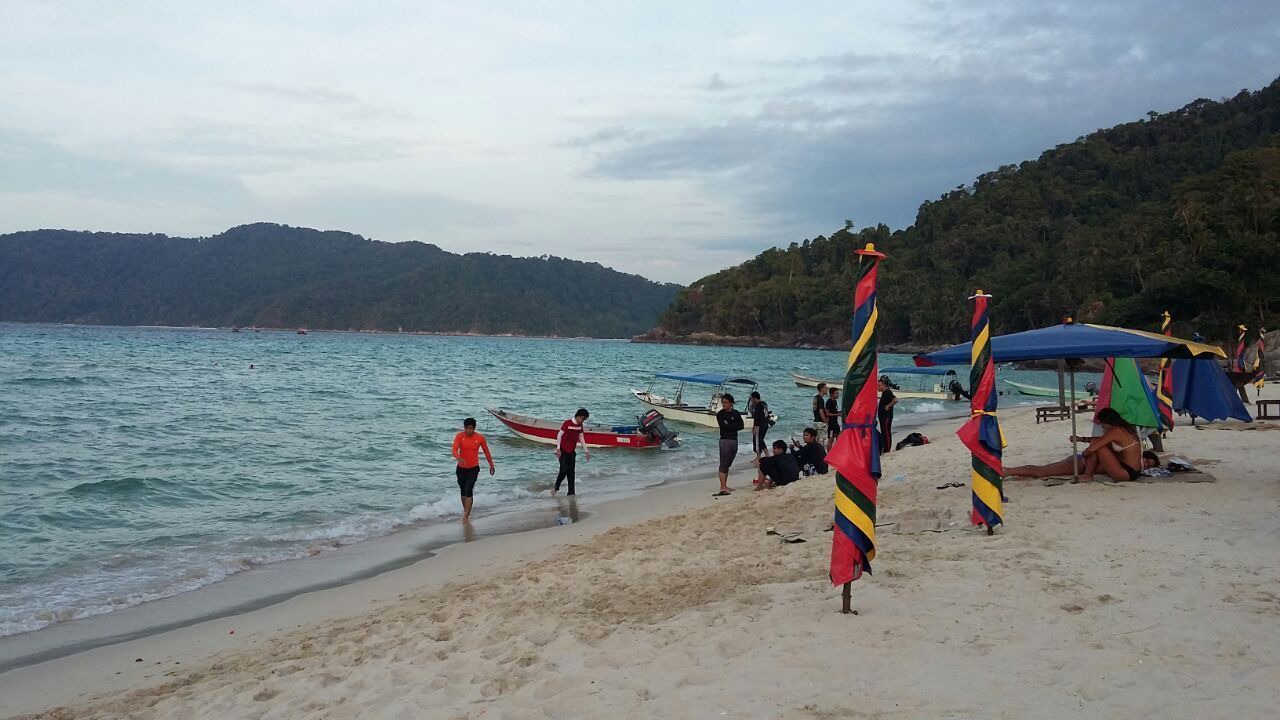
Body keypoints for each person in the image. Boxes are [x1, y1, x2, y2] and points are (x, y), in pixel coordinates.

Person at [1005, 408, 1146, 483]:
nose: (1102, 428)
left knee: (1041, 471)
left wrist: (1087, 452)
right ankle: (1011, 471)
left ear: (1107, 422)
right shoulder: (1126, 429)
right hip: (1129, 472)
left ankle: (1007, 471)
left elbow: (1095, 446)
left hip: (1114, 471)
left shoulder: (1115, 431)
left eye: (1102, 425)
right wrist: (1082, 439)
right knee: (1042, 471)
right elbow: (1101, 440)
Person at [451, 417, 495, 520]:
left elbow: (486, 451)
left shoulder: (479, 438)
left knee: (468, 489)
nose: (468, 430)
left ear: (474, 428)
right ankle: (466, 511)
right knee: (463, 491)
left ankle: (466, 516)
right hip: (461, 468)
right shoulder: (459, 436)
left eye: (470, 428)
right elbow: (454, 450)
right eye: (466, 428)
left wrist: (491, 465)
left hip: (473, 468)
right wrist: (459, 458)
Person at [552, 408, 590, 496]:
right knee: (563, 470)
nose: (583, 421)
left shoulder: (580, 426)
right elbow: (559, 436)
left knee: (571, 473)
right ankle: (555, 488)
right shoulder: (567, 423)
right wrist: (558, 449)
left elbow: (581, 437)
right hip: (563, 450)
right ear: (578, 416)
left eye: (585, 419)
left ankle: (571, 492)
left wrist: (586, 450)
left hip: (572, 451)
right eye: (583, 418)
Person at [714, 394, 744, 495]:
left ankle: (725, 485)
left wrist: (730, 425)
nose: (724, 404)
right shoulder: (720, 414)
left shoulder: (735, 413)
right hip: (725, 440)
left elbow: (741, 426)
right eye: (723, 402)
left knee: (728, 463)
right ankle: (722, 486)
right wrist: (732, 425)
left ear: (731, 403)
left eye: (726, 402)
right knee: (724, 463)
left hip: (734, 440)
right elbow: (723, 426)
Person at [748, 391, 771, 463]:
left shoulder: (758, 405)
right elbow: (766, 414)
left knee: (757, 440)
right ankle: (764, 455)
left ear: (755, 398)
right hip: (765, 424)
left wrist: (755, 427)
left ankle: (760, 457)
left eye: (751, 398)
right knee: (760, 439)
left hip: (760, 425)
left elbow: (757, 417)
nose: (751, 400)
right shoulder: (764, 403)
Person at [877, 375, 898, 454]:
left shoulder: (888, 392)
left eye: (879, 385)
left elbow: (895, 399)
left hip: (886, 417)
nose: (878, 387)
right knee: (884, 433)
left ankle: (887, 450)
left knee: (886, 432)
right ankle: (885, 448)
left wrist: (888, 406)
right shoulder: (884, 393)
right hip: (883, 417)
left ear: (884, 385)